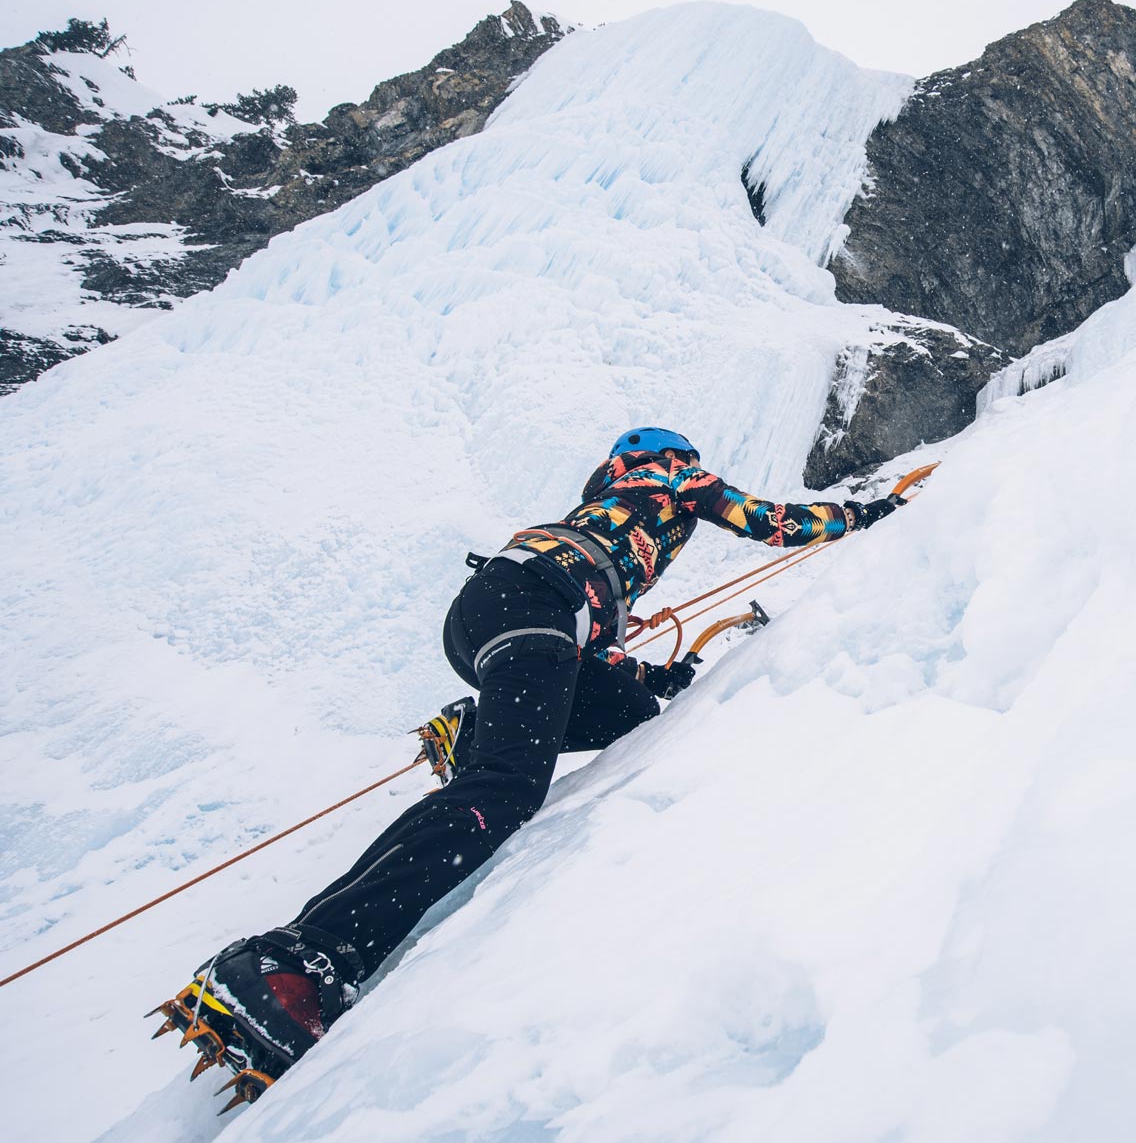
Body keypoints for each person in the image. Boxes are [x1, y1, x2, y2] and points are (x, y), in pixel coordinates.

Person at [176, 427, 904, 1081]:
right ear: (663, 460)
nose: (690, 468)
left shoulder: (601, 517)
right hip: (535, 608)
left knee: (630, 711)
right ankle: (301, 959)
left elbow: (585, 669)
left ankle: (474, 733)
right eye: (682, 459)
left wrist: (655, 676)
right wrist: (864, 514)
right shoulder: (675, 480)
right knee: (506, 791)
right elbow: (768, 523)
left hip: (498, 613)